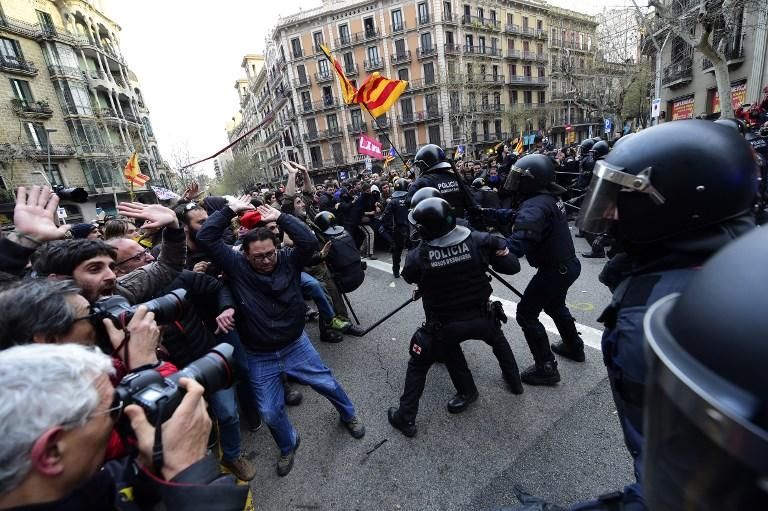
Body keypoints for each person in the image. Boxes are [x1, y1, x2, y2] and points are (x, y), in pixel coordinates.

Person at [575, 119, 757, 508]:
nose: (609, 213)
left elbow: (681, 489)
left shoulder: (652, 317)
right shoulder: (746, 257)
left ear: (674, 204)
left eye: (621, 200)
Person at [196, 199, 365, 477]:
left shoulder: (288, 261)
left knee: (327, 383)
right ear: (245, 255)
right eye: (258, 256)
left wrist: (282, 216)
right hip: (259, 354)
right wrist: (229, 210)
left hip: (295, 343)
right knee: (270, 412)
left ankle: (349, 414)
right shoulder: (237, 265)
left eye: (270, 254)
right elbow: (206, 237)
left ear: (277, 249)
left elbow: (308, 241)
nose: (265, 260)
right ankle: (288, 444)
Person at [0, 343, 248, 511]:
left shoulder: (77, 486)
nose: (125, 414)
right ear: (52, 452)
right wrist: (191, 472)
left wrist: (148, 465)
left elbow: (114, 488)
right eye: (112, 409)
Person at [387, 197, 523, 438]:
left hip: (447, 324)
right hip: (483, 315)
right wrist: (500, 245)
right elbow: (511, 266)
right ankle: (515, 382)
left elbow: (409, 276)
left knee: (421, 362)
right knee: (498, 340)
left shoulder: (419, 255)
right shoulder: (477, 239)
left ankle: (408, 416)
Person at [484, 154, 585, 386]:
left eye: (518, 177)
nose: (513, 181)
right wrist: (485, 212)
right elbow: (518, 216)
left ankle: (546, 367)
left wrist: (487, 244)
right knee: (555, 305)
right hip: (566, 266)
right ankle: (574, 346)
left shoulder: (535, 206)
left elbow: (515, 247)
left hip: (553, 270)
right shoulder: (546, 198)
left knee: (526, 314)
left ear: (531, 179)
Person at [407, 144, 478, 220]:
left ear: (424, 164)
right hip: (462, 226)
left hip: (436, 228)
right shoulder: (457, 178)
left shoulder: (422, 182)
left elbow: (409, 203)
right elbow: (470, 200)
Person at [380, 178, 411, 278]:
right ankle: (410, 270)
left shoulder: (393, 201)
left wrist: (387, 226)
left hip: (398, 230)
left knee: (397, 252)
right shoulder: (411, 198)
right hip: (411, 228)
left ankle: (396, 271)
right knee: (412, 250)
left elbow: (385, 216)